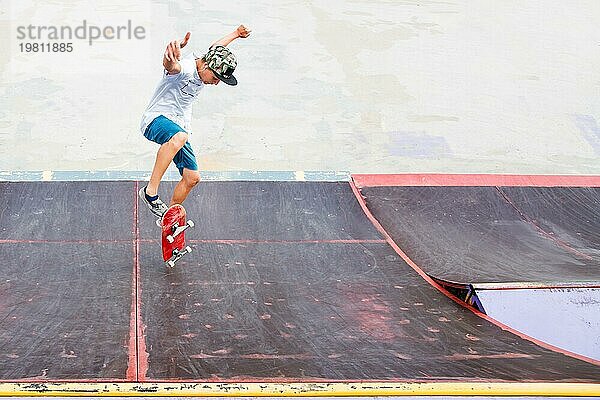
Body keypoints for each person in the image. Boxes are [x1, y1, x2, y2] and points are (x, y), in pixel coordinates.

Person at [139, 25, 251, 217]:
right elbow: (172, 67)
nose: (216, 83)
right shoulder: (187, 68)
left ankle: (169, 217)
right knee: (180, 136)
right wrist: (169, 57)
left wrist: (236, 34)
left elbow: (216, 46)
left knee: (192, 177)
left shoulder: (208, 60)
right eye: (216, 78)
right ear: (206, 66)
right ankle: (150, 193)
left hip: (177, 130)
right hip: (155, 121)